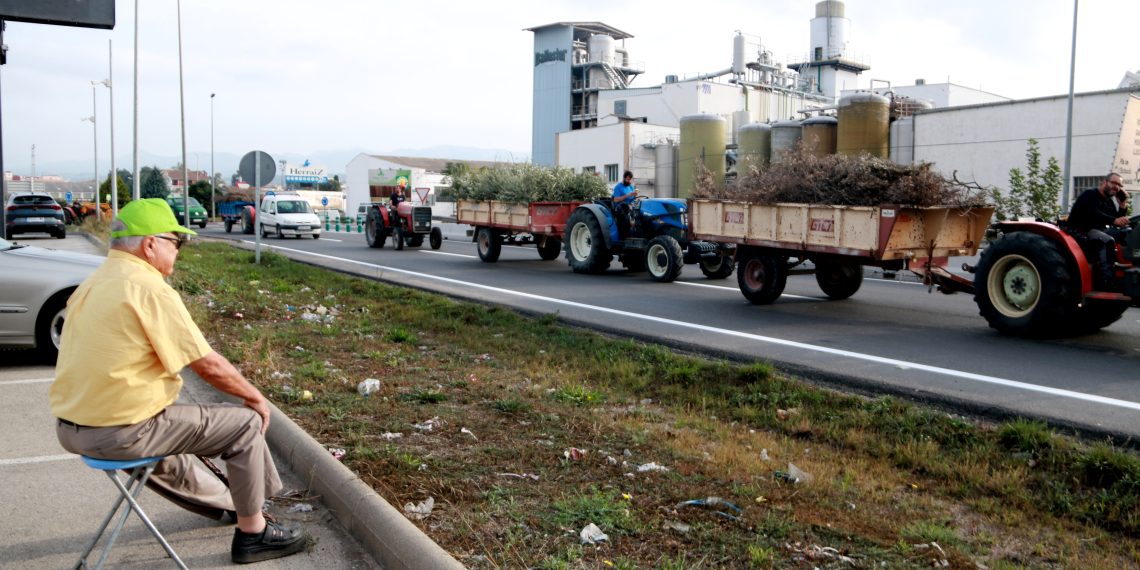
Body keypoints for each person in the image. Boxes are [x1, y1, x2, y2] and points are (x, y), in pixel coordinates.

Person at [49, 198, 311, 564]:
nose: (178, 251)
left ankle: (232, 503)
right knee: (245, 424)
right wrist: (255, 396)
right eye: (176, 242)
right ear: (150, 244)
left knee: (177, 433)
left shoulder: (92, 284)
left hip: (73, 429)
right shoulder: (147, 287)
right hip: (120, 431)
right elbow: (206, 364)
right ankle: (254, 533)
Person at [1067, 173, 1129, 287]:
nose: (1116, 187)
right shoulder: (1089, 194)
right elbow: (1093, 213)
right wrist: (1114, 220)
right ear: (1105, 182)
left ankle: (1127, 271)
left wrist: (1122, 205)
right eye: (1114, 183)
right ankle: (1108, 282)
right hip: (1082, 232)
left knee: (1127, 233)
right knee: (1107, 240)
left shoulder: (1109, 202)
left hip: (1099, 231)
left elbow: (1116, 221)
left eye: (1119, 185)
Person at [611, 170, 638, 238]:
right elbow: (615, 199)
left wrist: (635, 196)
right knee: (627, 219)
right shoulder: (618, 187)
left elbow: (632, 199)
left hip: (630, 206)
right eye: (628, 179)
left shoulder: (631, 187)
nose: (629, 181)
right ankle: (626, 237)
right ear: (624, 178)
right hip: (620, 208)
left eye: (630, 180)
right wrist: (627, 195)